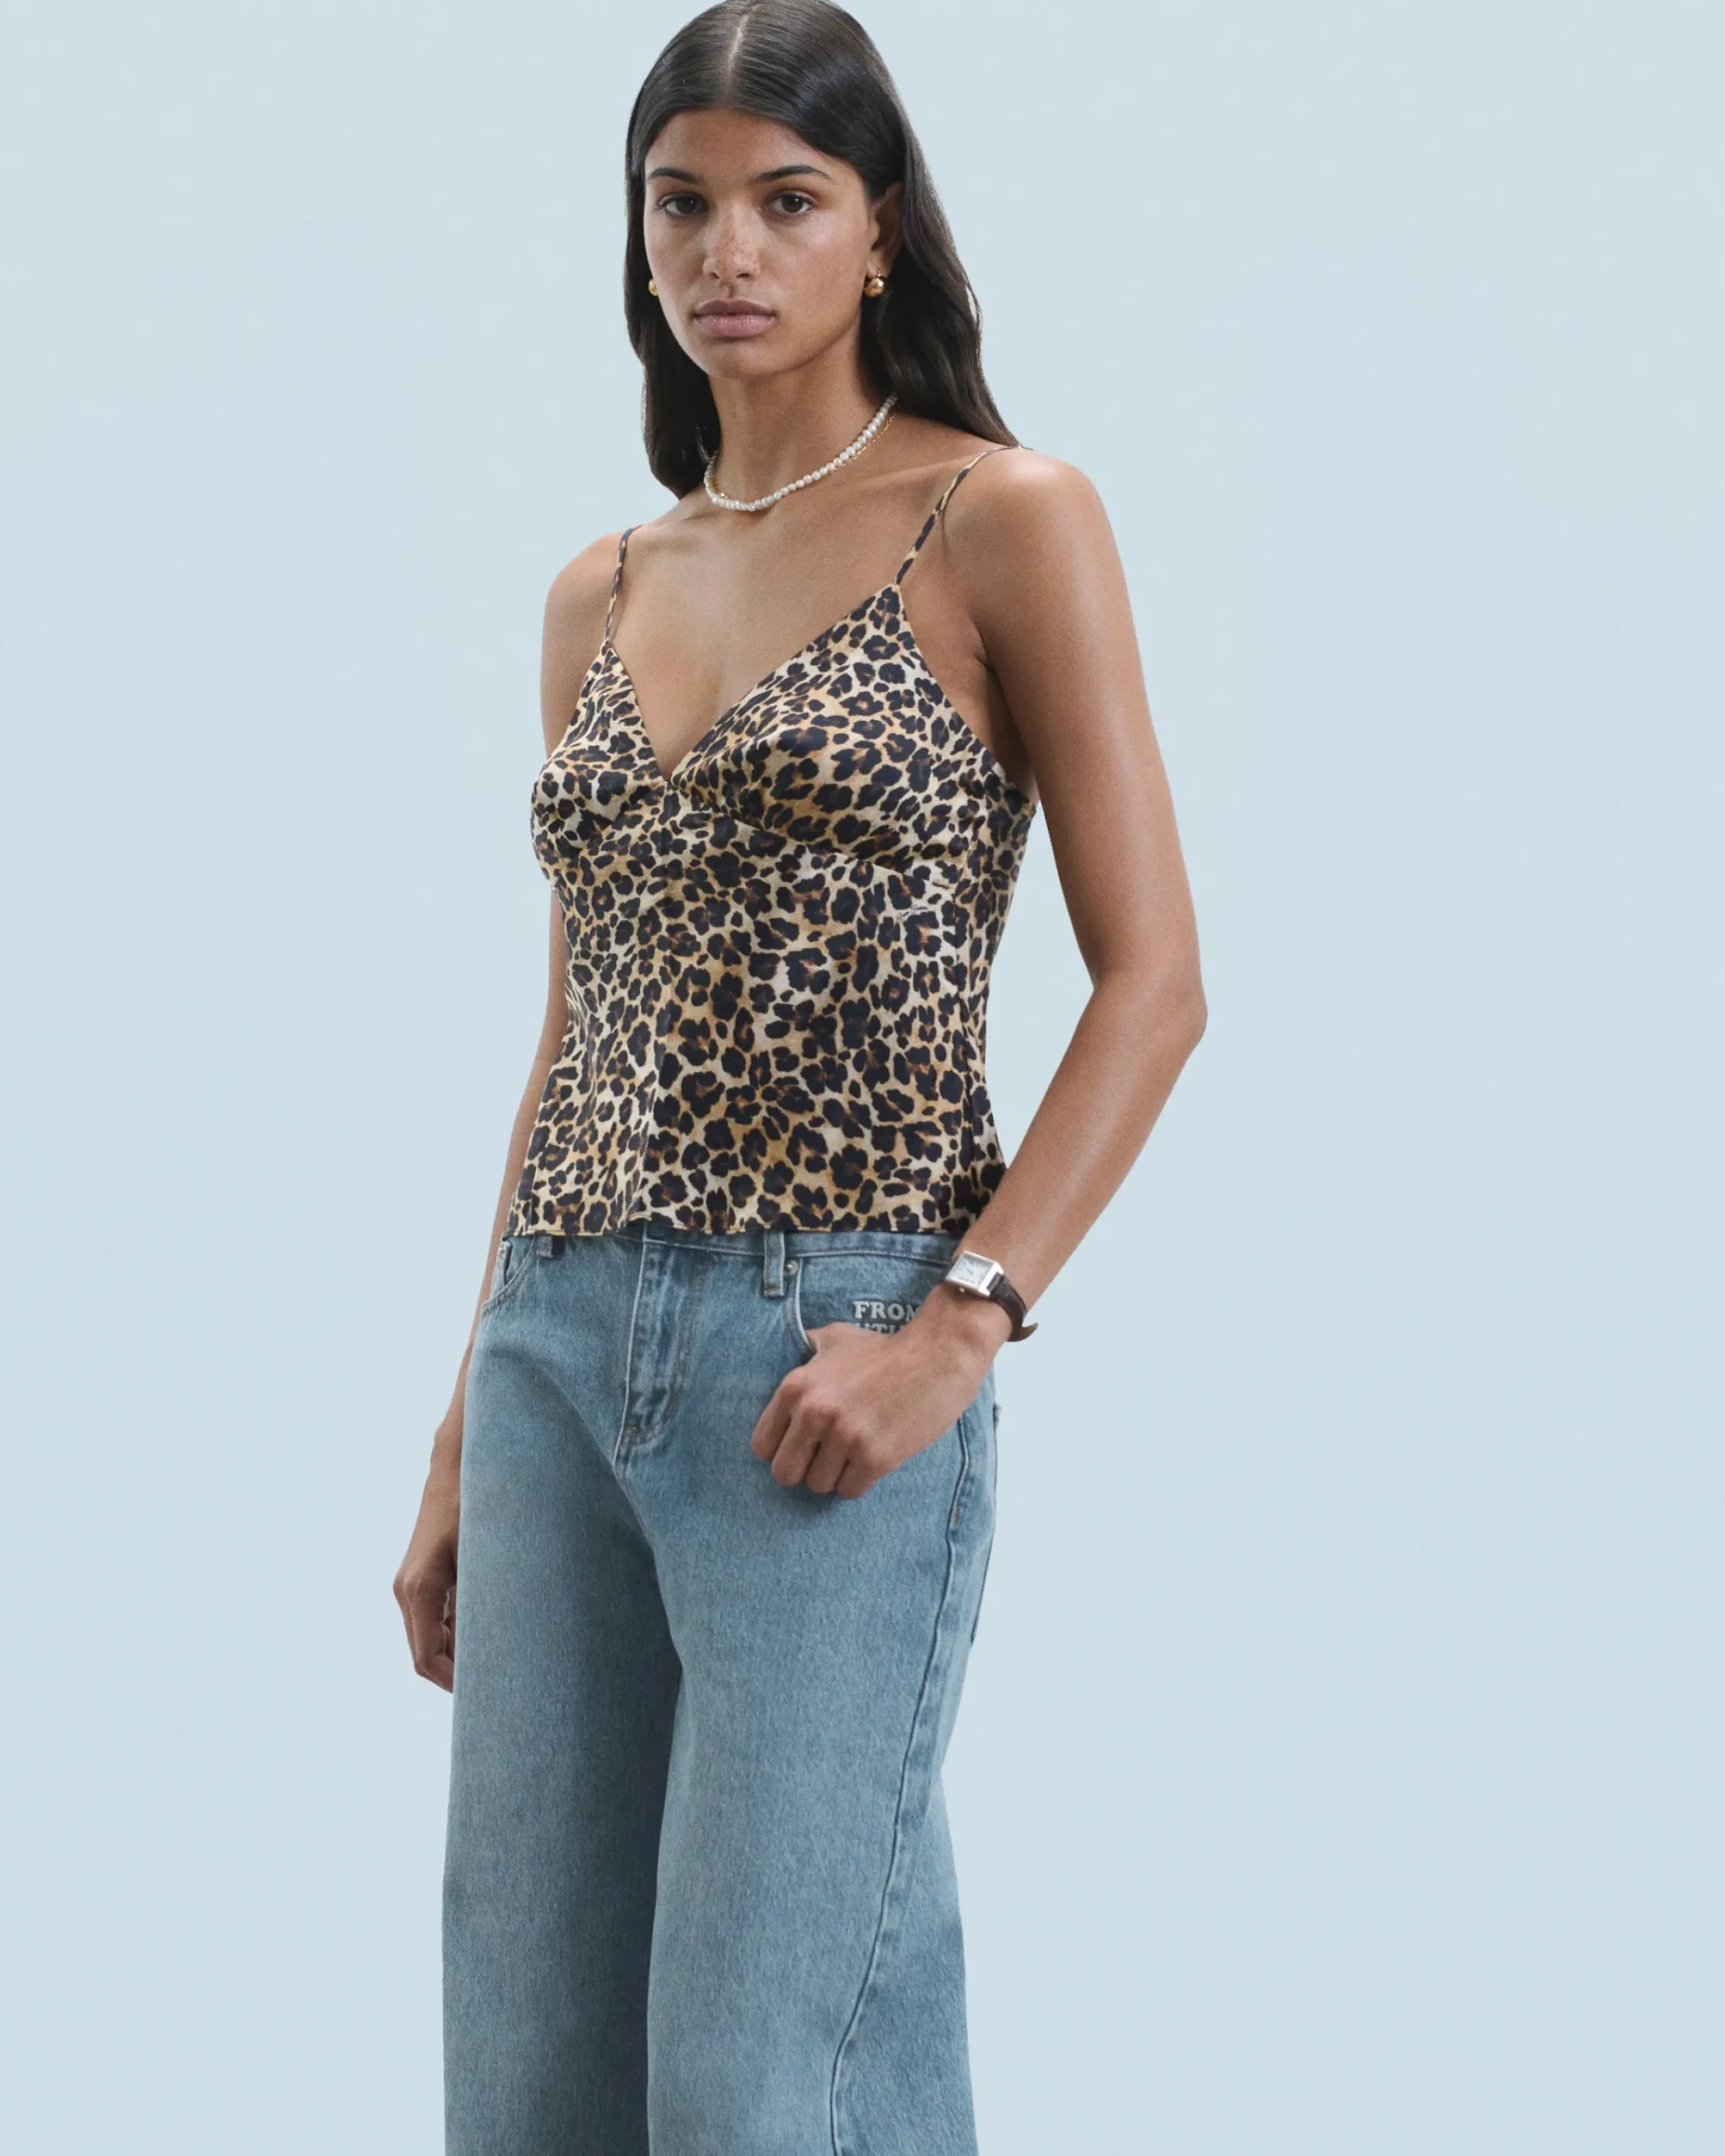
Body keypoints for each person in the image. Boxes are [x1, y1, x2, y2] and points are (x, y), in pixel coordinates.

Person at [393, 2, 1206, 2148]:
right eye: (681, 204)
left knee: (765, 2077)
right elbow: (576, 1024)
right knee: (528, 2078)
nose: (725, 251)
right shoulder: (602, 586)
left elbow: (1154, 984)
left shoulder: (1001, 516)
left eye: (786, 200)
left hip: (824, 1340)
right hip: (557, 1344)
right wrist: (467, 1412)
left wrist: (961, 1323)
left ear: (881, 230)